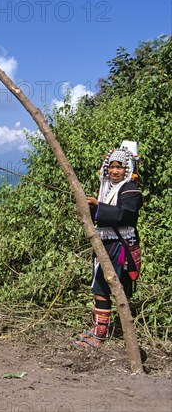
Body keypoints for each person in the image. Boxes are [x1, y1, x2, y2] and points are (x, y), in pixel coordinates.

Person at [74, 142, 142, 349]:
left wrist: (98, 206)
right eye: (111, 166)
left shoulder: (131, 190)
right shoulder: (106, 189)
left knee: (104, 288)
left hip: (119, 247)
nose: (114, 170)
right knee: (100, 287)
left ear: (127, 169)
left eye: (119, 167)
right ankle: (99, 331)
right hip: (106, 244)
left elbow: (124, 215)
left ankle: (99, 337)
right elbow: (101, 214)